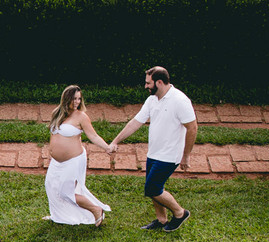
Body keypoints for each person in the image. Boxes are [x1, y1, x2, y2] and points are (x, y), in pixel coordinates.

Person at [110, 66, 197, 231]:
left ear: (159, 82)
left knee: (152, 188)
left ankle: (180, 213)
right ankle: (161, 220)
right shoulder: (152, 100)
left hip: (170, 155)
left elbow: (192, 128)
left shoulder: (180, 100)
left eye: (148, 83)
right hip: (154, 152)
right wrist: (116, 141)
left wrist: (186, 155)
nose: (145, 86)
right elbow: (136, 122)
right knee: (155, 187)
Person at [44, 85, 113, 226]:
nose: (77, 102)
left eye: (79, 99)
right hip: (56, 161)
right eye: (74, 98)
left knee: (66, 191)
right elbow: (53, 136)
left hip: (73, 160)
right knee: (50, 186)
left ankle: (96, 210)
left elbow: (93, 136)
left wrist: (107, 147)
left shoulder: (81, 116)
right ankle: (58, 216)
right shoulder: (56, 113)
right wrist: (51, 154)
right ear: (66, 98)